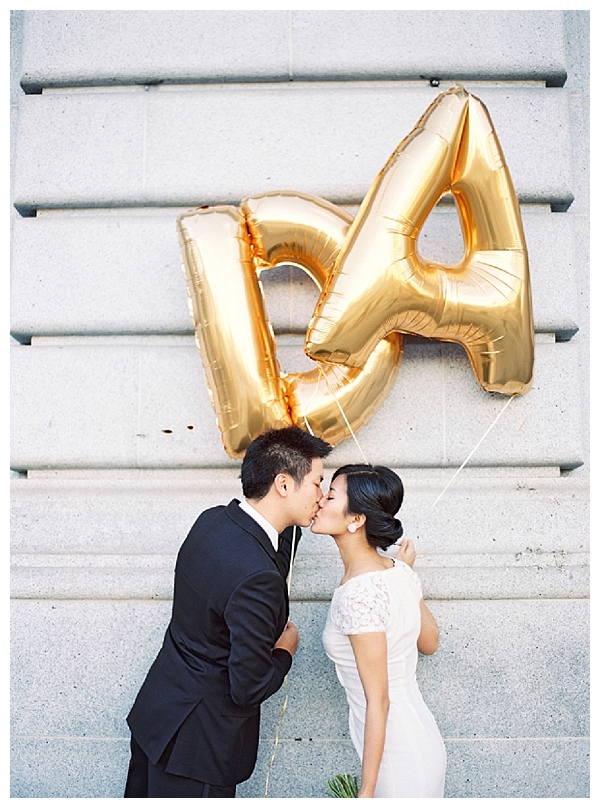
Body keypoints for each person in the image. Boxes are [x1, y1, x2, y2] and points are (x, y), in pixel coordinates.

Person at [124, 426, 332, 798]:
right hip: (198, 750)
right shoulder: (257, 577)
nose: (322, 495)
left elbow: (262, 558)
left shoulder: (214, 522)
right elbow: (248, 687)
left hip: (158, 719)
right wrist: (285, 651)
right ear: (283, 484)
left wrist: (292, 523)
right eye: (318, 483)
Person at [312, 464, 446, 798]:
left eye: (329, 495)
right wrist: (407, 579)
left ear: (356, 519)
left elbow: (379, 700)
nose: (318, 501)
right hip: (421, 741)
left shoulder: (359, 593)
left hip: (397, 757)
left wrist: (366, 792)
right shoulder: (397, 572)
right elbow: (429, 642)